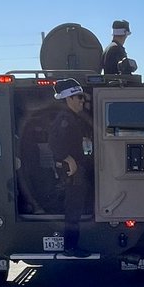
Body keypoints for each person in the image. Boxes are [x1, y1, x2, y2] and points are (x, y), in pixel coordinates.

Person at [48, 77, 94, 252]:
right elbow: (53, 142)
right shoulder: (64, 118)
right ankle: (70, 247)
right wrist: (68, 159)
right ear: (69, 99)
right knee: (73, 211)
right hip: (72, 174)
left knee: (76, 207)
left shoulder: (72, 117)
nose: (83, 100)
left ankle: (72, 245)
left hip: (77, 172)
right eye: (79, 97)